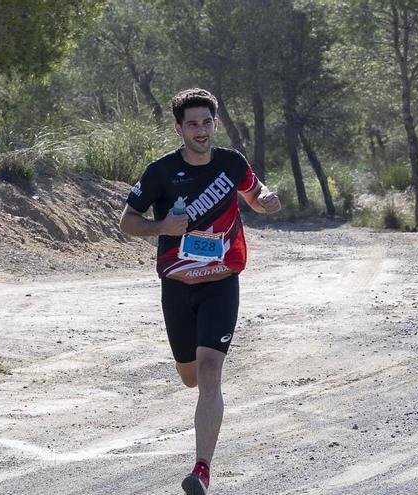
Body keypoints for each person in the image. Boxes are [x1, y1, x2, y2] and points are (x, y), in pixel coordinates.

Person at [119, 88, 281, 495]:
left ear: (214, 124)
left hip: (221, 284)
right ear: (179, 128)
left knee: (210, 374)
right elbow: (127, 222)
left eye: (207, 122)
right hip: (177, 288)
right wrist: (161, 229)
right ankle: (191, 381)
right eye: (192, 123)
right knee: (190, 376)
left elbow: (255, 193)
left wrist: (266, 200)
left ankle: (202, 469)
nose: (201, 130)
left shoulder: (231, 163)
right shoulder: (159, 172)